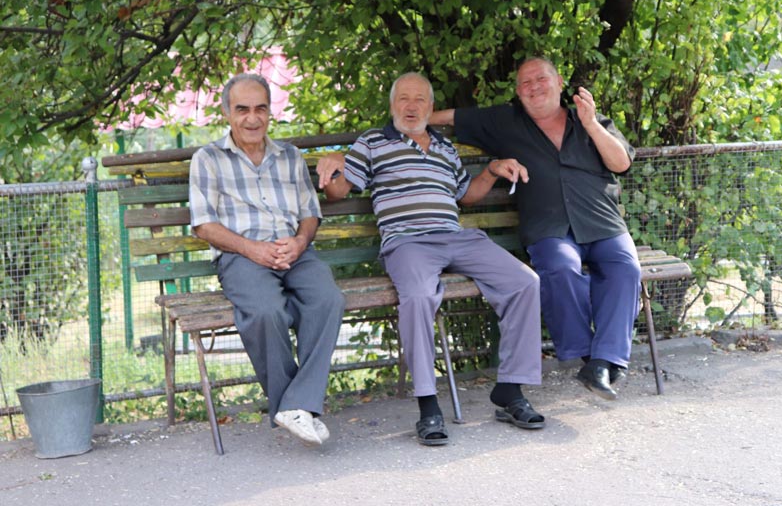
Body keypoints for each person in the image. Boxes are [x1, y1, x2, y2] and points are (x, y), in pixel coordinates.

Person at [316, 72, 544, 446]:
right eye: (403, 99)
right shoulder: (373, 142)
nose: (411, 106)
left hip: (456, 238)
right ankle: (428, 407)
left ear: (430, 107)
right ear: (392, 105)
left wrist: (491, 170)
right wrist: (334, 163)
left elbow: (465, 195)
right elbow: (339, 192)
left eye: (419, 99)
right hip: (407, 243)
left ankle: (509, 392)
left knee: (524, 282)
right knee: (420, 297)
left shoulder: (444, 147)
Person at [428, 57, 641, 401]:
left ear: (559, 82)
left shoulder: (588, 117)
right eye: (525, 83)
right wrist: (409, 117)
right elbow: (450, 117)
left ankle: (600, 362)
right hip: (549, 228)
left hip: (602, 221)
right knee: (559, 267)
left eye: (541, 79)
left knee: (625, 267)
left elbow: (621, 163)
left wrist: (591, 125)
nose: (534, 87)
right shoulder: (504, 121)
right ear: (517, 92)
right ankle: (594, 359)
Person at [189, 73, 345, 446]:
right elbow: (203, 225)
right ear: (227, 112)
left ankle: (295, 405)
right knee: (265, 311)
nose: (252, 118)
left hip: (295, 251)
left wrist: (300, 240)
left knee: (329, 299)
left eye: (260, 108)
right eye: (242, 109)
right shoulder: (208, 159)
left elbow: (310, 212)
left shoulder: (289, 156)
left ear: (269, 112)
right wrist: (252, 248)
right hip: (240, 255)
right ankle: (298, 406)